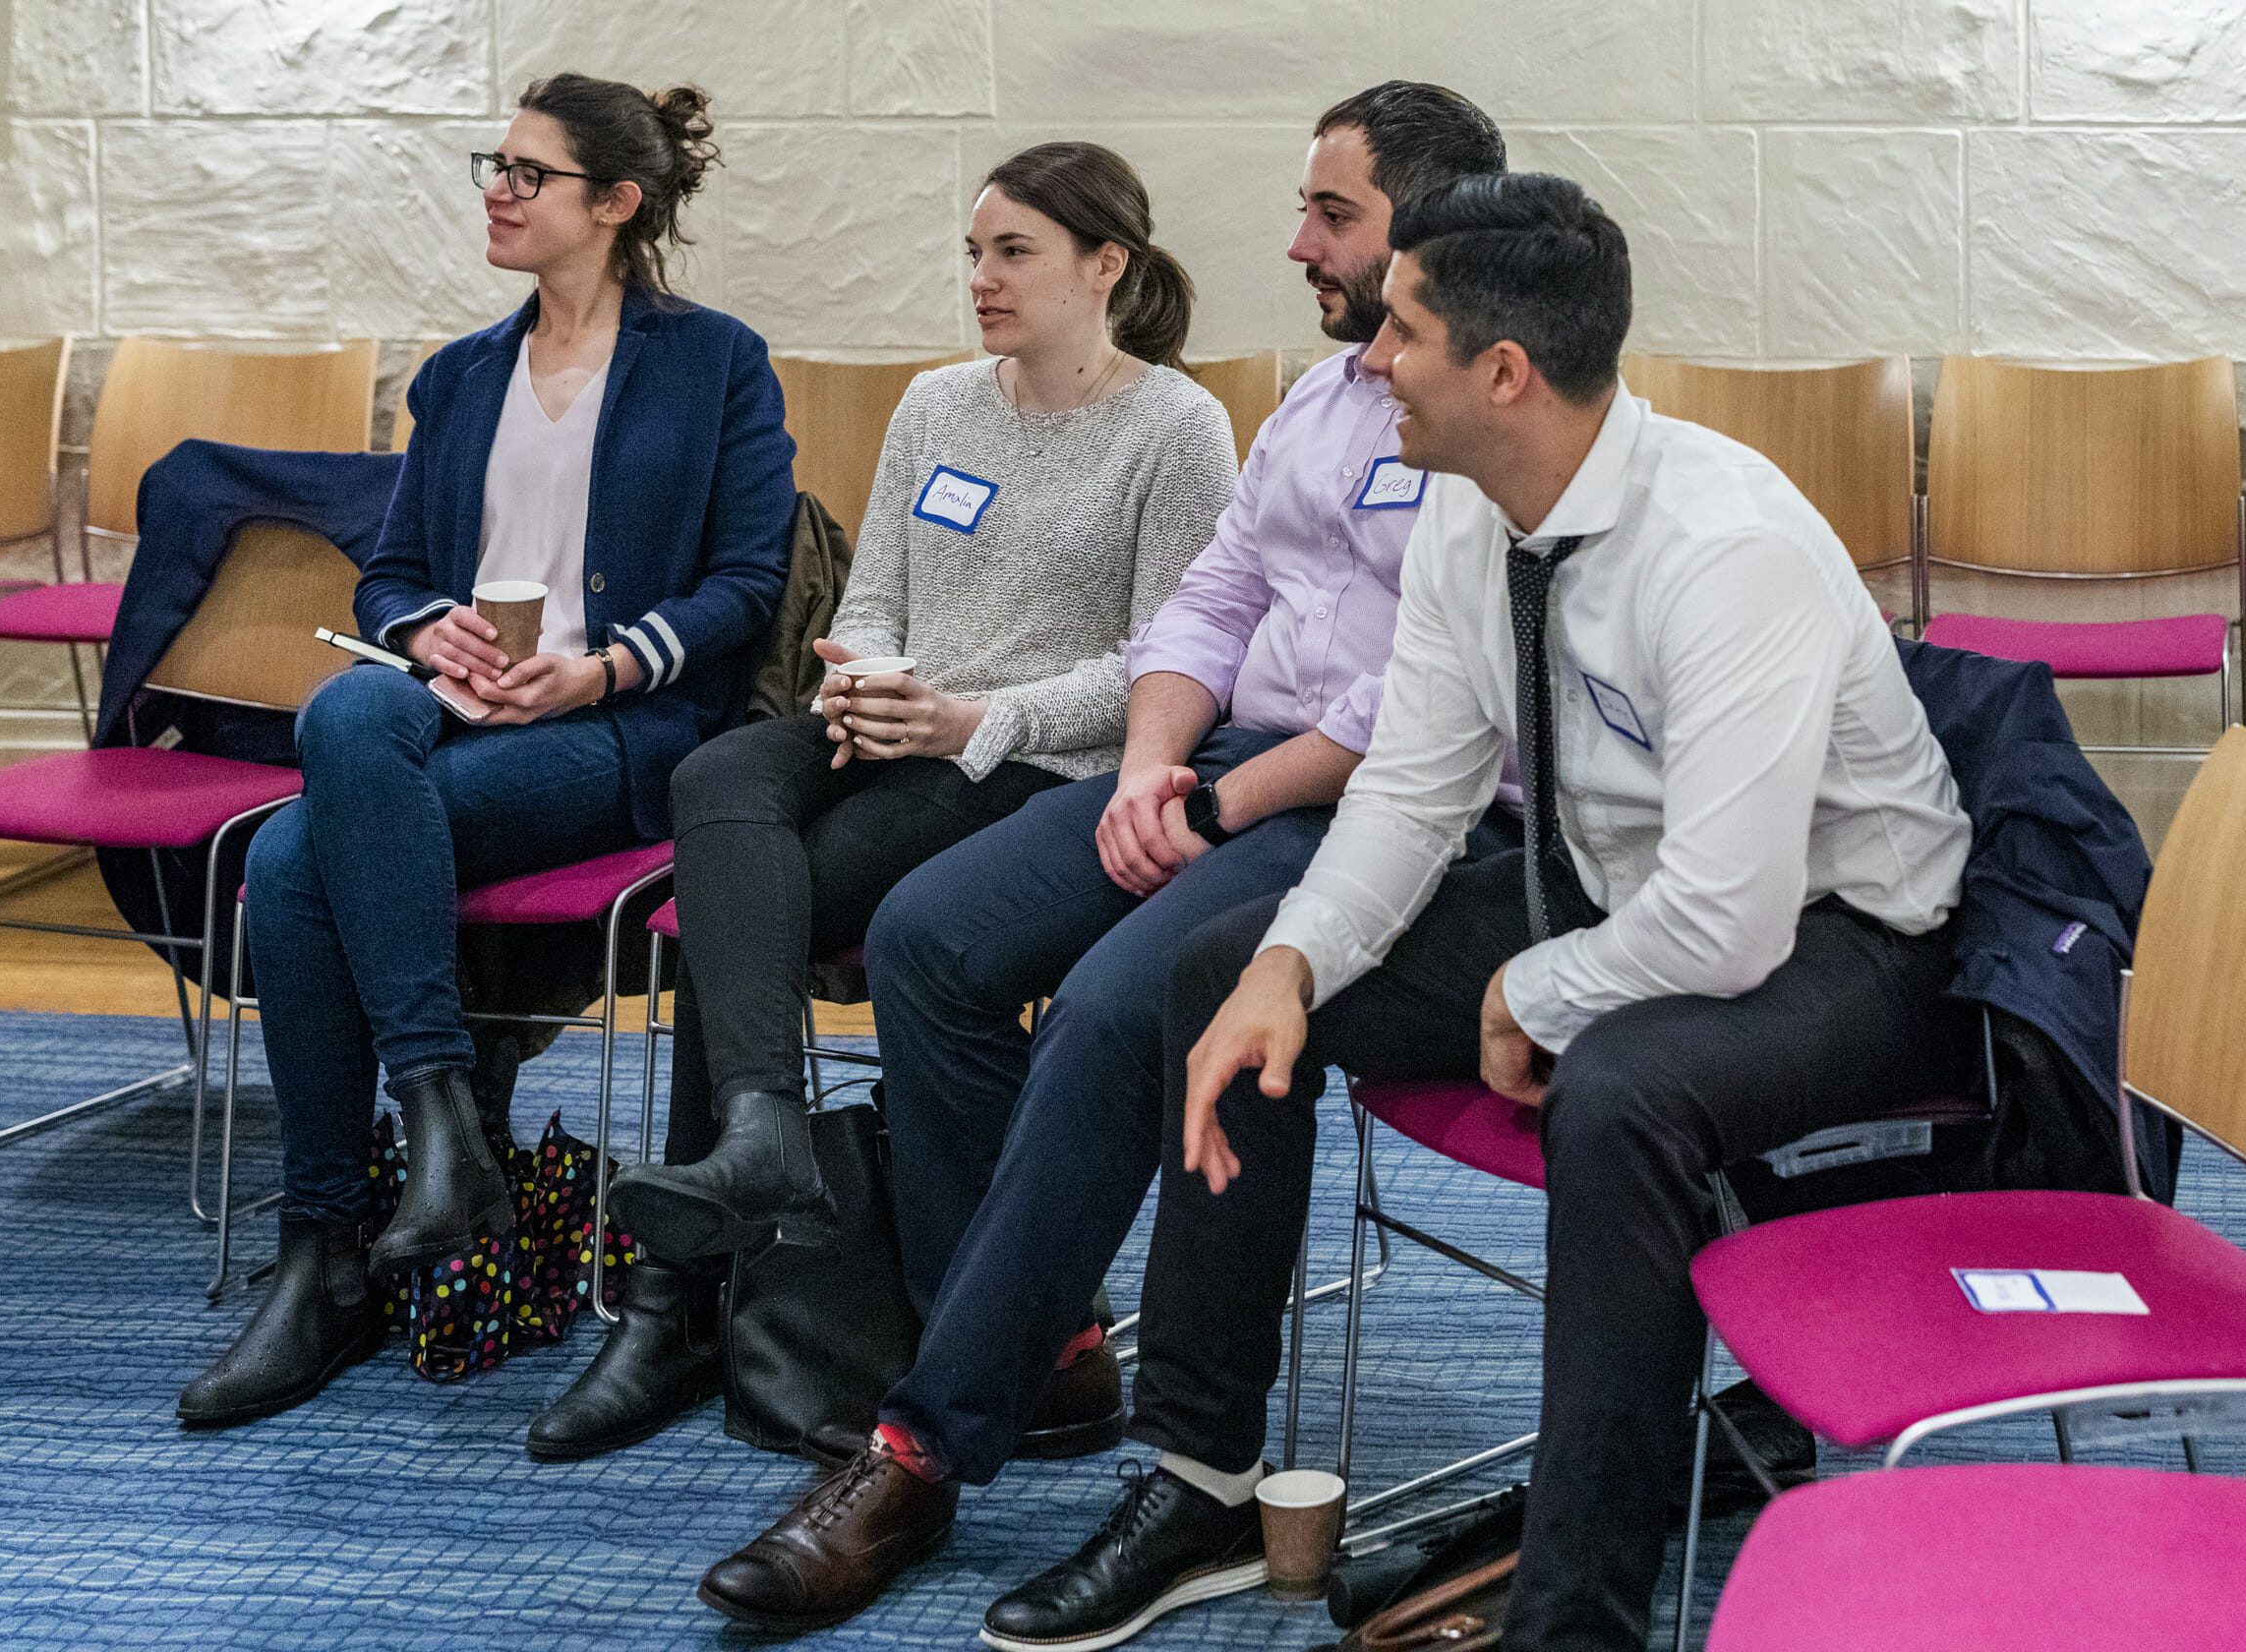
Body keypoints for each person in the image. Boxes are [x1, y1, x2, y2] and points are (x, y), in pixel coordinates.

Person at [692, 85, 1512, 1643]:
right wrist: (1149, 766)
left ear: (1431, 226)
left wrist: (1212, 803)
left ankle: (924, 1443)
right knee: (931, 940)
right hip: (1207, 762)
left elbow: (1423, 705)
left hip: (1365, 803)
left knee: (1118, 1009)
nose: (1296, 241)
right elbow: (1206, 606)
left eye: (1330, 213)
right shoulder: (1327, 403)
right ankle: (1037, 1330)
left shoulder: (1472, 407)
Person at [1147, 175, 1977, 1651]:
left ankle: (1575, 1617)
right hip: (1619, 895)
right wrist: (1290, 961)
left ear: (1503, 374)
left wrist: (1533, 991)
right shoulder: (1476, 512)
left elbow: (1728, 925)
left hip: (1852, 938)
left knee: (1621, 1094)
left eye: (1403, 331)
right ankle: (1204, 1477)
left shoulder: (1727, 548)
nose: (1371, 360)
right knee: (1231, 972)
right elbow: (1408, 797)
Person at [535, 141, 1239, 1462]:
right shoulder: (934, 406)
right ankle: (757, 1140)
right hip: (892, 724)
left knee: (747, 896)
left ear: (1108, 266)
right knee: (718, 779)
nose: (981, 278)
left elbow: (1171, 661)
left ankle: (677, 1296)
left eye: (1013, 252)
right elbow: (872, 596)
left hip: (1028, 764)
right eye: (972, 253)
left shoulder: (1175, 429)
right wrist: (859, 678)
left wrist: (974, 719)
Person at [176, 73, 798, 1428]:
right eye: (494, 168)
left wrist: (603, 664)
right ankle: (437, 1121)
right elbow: (389, 570)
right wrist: (427, 627)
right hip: (444, 716)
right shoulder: (458, 376)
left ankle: (331, 1243)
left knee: (291, 864)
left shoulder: (715, 362)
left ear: (617, 204)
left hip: (615, 726)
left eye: (529, 173)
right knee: (347, 708)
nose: (498, 193)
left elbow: (748, 582)